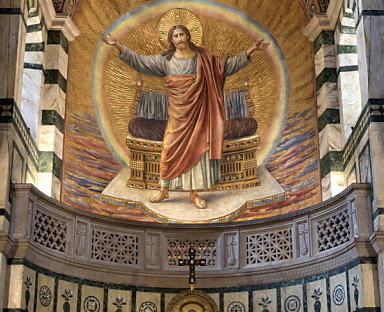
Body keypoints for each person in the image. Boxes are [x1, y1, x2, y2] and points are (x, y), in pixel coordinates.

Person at [103, 23, 268, 209]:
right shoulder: (164, 60)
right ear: (171, 40)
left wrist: (251, 50)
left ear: (188, 36)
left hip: (200, 113)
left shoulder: (204, 58)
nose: (180, 39)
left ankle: (194, 194)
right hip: (178, 113)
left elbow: (226, 66)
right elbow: (140, 61)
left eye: (182, 35)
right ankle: (164, 189)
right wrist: (117, 45)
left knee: (198, 148)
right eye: (176, 36)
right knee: (169, 146)